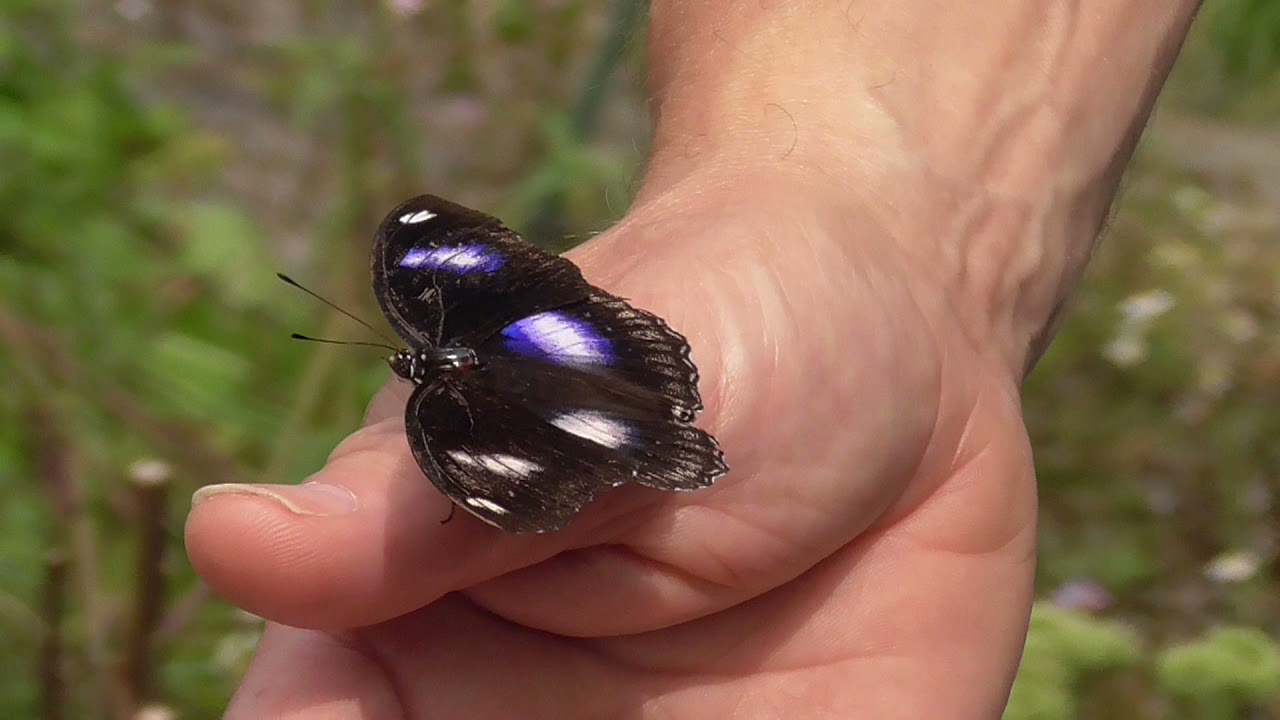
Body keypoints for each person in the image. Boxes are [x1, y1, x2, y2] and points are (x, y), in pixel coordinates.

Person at [185, 2, 1204, 716]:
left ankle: (637, 439)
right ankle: (637, 435)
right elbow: (512, 478)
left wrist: (901, 253)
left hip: (561, 371)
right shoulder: (440, 368)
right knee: (543, 428)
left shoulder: (435, 372)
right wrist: (915, 256)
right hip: (568, 359)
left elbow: (498, 459)